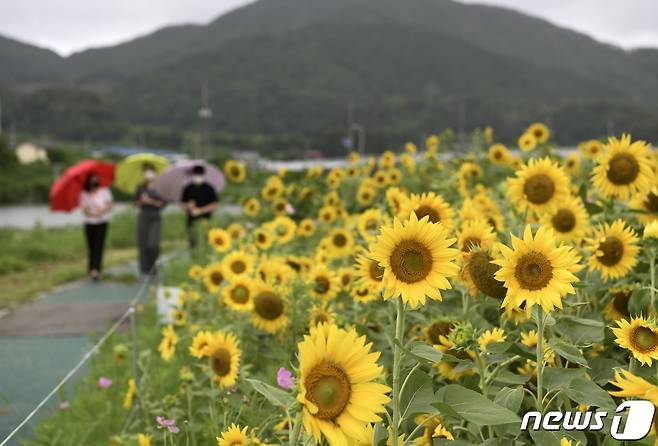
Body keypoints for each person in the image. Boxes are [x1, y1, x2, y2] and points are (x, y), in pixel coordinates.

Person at [80, 172, 113, 281]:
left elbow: (109, 205)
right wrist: (94, 214)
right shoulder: (84, 194)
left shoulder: (104, 191)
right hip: (89, 222)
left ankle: (96, 270)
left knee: (99, 246)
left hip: (102, 222)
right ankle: (91, 269)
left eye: (96, 178)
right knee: (91, 247)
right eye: (92, 179)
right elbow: (85, 210)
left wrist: (101, 211)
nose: (94, 180)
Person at [134, 162, 165, 277]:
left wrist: (150, 201)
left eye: (150, 170)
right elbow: (135, 203)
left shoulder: (160, 187)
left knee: (153, 243)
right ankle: (144, 270)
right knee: (143, 244)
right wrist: (142, 201)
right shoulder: (141, 187)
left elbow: (162, 204)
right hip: (144, 215)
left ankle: (154, 266)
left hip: (155, 216)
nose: (148, 173)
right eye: (146, 171)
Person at [181, 164, 218, 249]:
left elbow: (214, 204)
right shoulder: (188, 188)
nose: (197, 176)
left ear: (203, 174)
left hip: (205, 221)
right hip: (191, 221)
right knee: (193, 244)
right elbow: (182, 204)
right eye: (196, 174)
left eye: (199, 174)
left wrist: (201, 210)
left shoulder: (209, 188)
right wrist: (188, 205)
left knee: (205, 243)